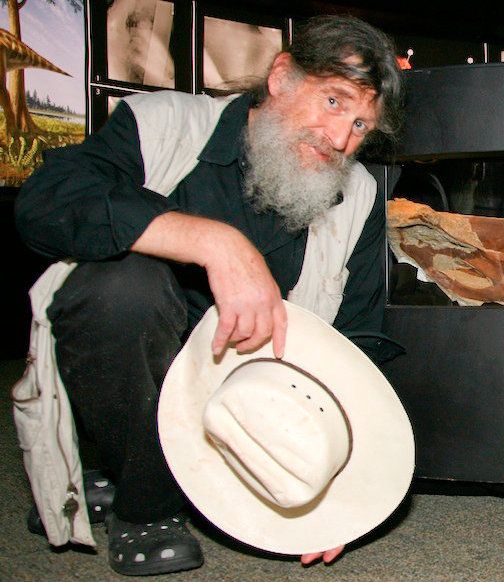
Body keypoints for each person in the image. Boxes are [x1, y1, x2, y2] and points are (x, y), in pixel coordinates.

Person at [15, 14, 404, 577]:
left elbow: (358, 341)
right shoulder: (163, 123)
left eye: (362, 124)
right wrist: (213, 243)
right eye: (333, 102)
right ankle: (146, 506)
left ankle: (122, 474)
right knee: (121, 287)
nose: (341, 140)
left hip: (249, 400)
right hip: (126, 372)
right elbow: (46, 201)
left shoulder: (359, 195)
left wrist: (344, 489)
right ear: (281, 77)